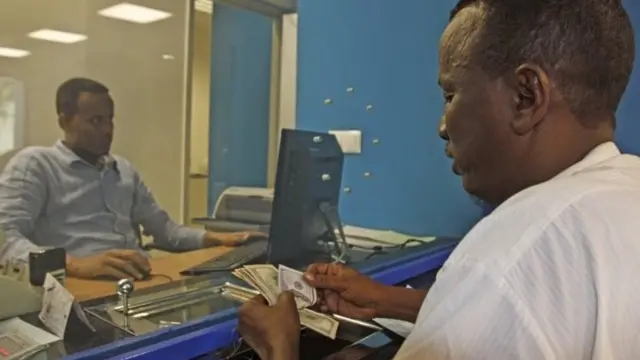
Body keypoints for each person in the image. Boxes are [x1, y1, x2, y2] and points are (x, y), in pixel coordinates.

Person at [237, 0, 640, 359]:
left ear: (526, 96)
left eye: (450, 95)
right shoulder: (624, 193)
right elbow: (550, 311)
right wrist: (386, 301)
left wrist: (280, 348)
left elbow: (509, 291)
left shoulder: (512, 251)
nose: (442, 126)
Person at [0, 77, 263, 280]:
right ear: (64, 121)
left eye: (110, 120)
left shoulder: (123, 170)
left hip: (137, 283)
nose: (107, 130)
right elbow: (6, 240)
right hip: (80, 289)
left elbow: (167, 233)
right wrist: (77, 265)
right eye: (95, 121)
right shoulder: (36, 164)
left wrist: (220, 239)